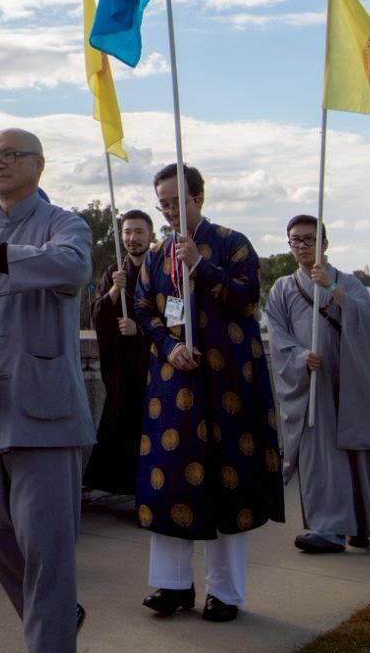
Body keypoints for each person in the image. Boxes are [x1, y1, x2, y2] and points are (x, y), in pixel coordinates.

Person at [0, 128, 95, 651]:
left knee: (47, 547)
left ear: (39, 164)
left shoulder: (64, 224)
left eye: (11, 155)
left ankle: (49, 639)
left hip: (44, 410)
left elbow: (73, 267)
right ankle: (56, 617)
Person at [133, 163, 284, 624]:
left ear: (199, 197)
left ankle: (225, 592)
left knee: (229, 479)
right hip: (174, 383)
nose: (169, 211)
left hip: (227, 381)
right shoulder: (157, 255)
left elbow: (248, 295)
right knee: (170, 476)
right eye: (163, 203)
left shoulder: (232, 242)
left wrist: (201, 265)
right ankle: (173, 584)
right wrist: (170, 346)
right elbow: (143, 307)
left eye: (177, 201)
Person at [265, 219, 370, 554]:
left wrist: (333, 287)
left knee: (358, 448)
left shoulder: (347, 281)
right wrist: (299, 357)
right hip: (313, 383)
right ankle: (329, 528)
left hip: (350, 376)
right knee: (319, 453)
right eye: (295, 240)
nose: (302, 246)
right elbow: (277, 335)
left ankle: (362, 522)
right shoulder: (282, 288)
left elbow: (369, 319)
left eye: (309, 239)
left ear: (324, 243)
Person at [83, 208, 156, 498]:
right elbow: (98, 316)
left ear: (150, 235)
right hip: (122, 367)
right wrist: (115, 288)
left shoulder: (162, 270)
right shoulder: (115, 271)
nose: (132, 238)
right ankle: (127, 491)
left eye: (139, 231)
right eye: (127, 232)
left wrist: (140, 330)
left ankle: (153, 491)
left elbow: (176, 316)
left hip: (152, 363)